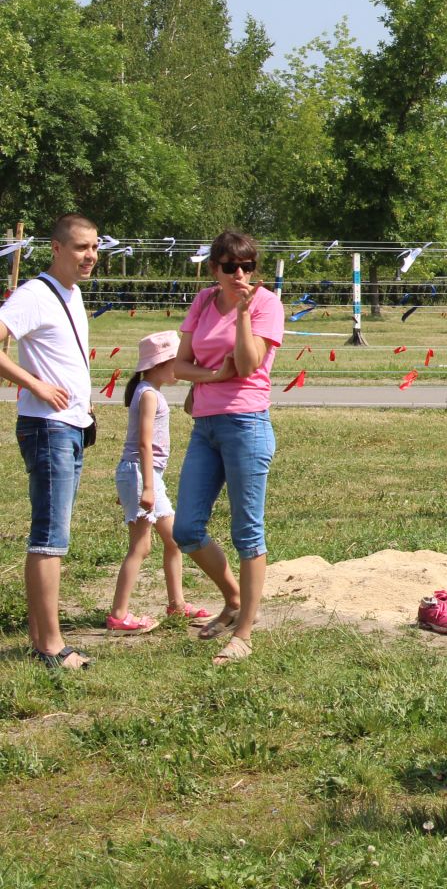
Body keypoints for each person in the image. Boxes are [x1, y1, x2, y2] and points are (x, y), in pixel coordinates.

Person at [169, 228, 286, 665]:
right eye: (231, 267)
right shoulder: (201, 301)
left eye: (248, 266)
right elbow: (180, 366)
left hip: (246, 424)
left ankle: (244, 633)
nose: (241, 273)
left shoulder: (266, 304)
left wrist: (241, 313)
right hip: (205, 426)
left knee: (247, 532)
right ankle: (234, 598)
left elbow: (251, 362)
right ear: (215, 268)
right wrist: (212, 377)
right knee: (186, 529)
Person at [0, 214, 99, 671]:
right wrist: (34, 385)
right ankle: (53, 647)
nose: (90, 256)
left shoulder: (71, 294)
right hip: (48, 426)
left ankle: (42, 638)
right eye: (81, 248)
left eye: (94, 247)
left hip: (70, 424)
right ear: (56, 248)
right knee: (50, 537)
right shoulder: (34, 295)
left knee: (51, 535)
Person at [105, 332, 210, 633]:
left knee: (175, 539)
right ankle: (118, 614)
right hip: (142, 472)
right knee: (141, 546)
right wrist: (146, 488)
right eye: (178, 361)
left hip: (144, 475)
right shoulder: (149, 394)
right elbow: (144, 444)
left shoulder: (149, 390)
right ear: (163, 363)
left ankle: (177, 604)